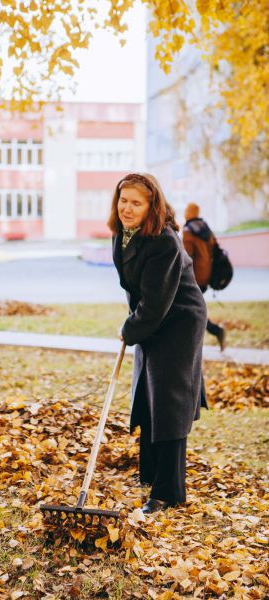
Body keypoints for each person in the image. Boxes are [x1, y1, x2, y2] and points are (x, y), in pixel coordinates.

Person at [108, 173, 208, 514]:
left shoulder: (164, 240)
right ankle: (150, 474)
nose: (127, 208)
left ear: (152, 206)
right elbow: (136, 290)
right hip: (152, 317)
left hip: (178, 321)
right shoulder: (122, 234)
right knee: (147, 395)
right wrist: (135, 325)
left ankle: (168, 492)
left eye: (137, 202)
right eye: (123, 200)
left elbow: (159, 301)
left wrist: (131, 327)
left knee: (169, 402)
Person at [182, 203, 226, 351]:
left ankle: (213, 332)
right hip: (206, 276)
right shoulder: (206, 229)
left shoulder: (188, 231)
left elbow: (186, 257)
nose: (185, 213)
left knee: (191, 309)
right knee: (192, 309)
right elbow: (214, 250)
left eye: (186, 211)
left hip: (193, 277)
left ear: (189, 213)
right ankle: (213, 332)